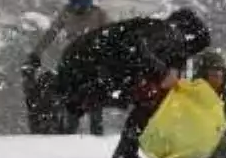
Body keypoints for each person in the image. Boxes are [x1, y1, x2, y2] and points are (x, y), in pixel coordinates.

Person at [53, 8, 210, 140]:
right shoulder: (165, 31)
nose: (187, 54)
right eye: (191, 49)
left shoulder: (154, 29)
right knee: (150, 94)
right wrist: (162, 73)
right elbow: (139, 49)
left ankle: (70, 110)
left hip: (79, 62)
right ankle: (126, 153)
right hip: (84, 65)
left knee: (149, 91)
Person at [109, 49, 226, 158]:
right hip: (200, 150)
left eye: (221, 73)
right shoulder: (187, 97)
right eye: (213, 72)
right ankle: (125, 155)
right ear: (203, 75)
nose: (218, 77)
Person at [27, 0, 111, 136]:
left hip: (94, 66)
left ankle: (96, 139)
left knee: (95, 110)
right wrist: (36, 53)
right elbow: (51, 33)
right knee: (72, 108)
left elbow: (112, 36)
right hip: (73, 64)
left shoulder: (98, 14)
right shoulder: (66, 12)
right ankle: (68, 140)